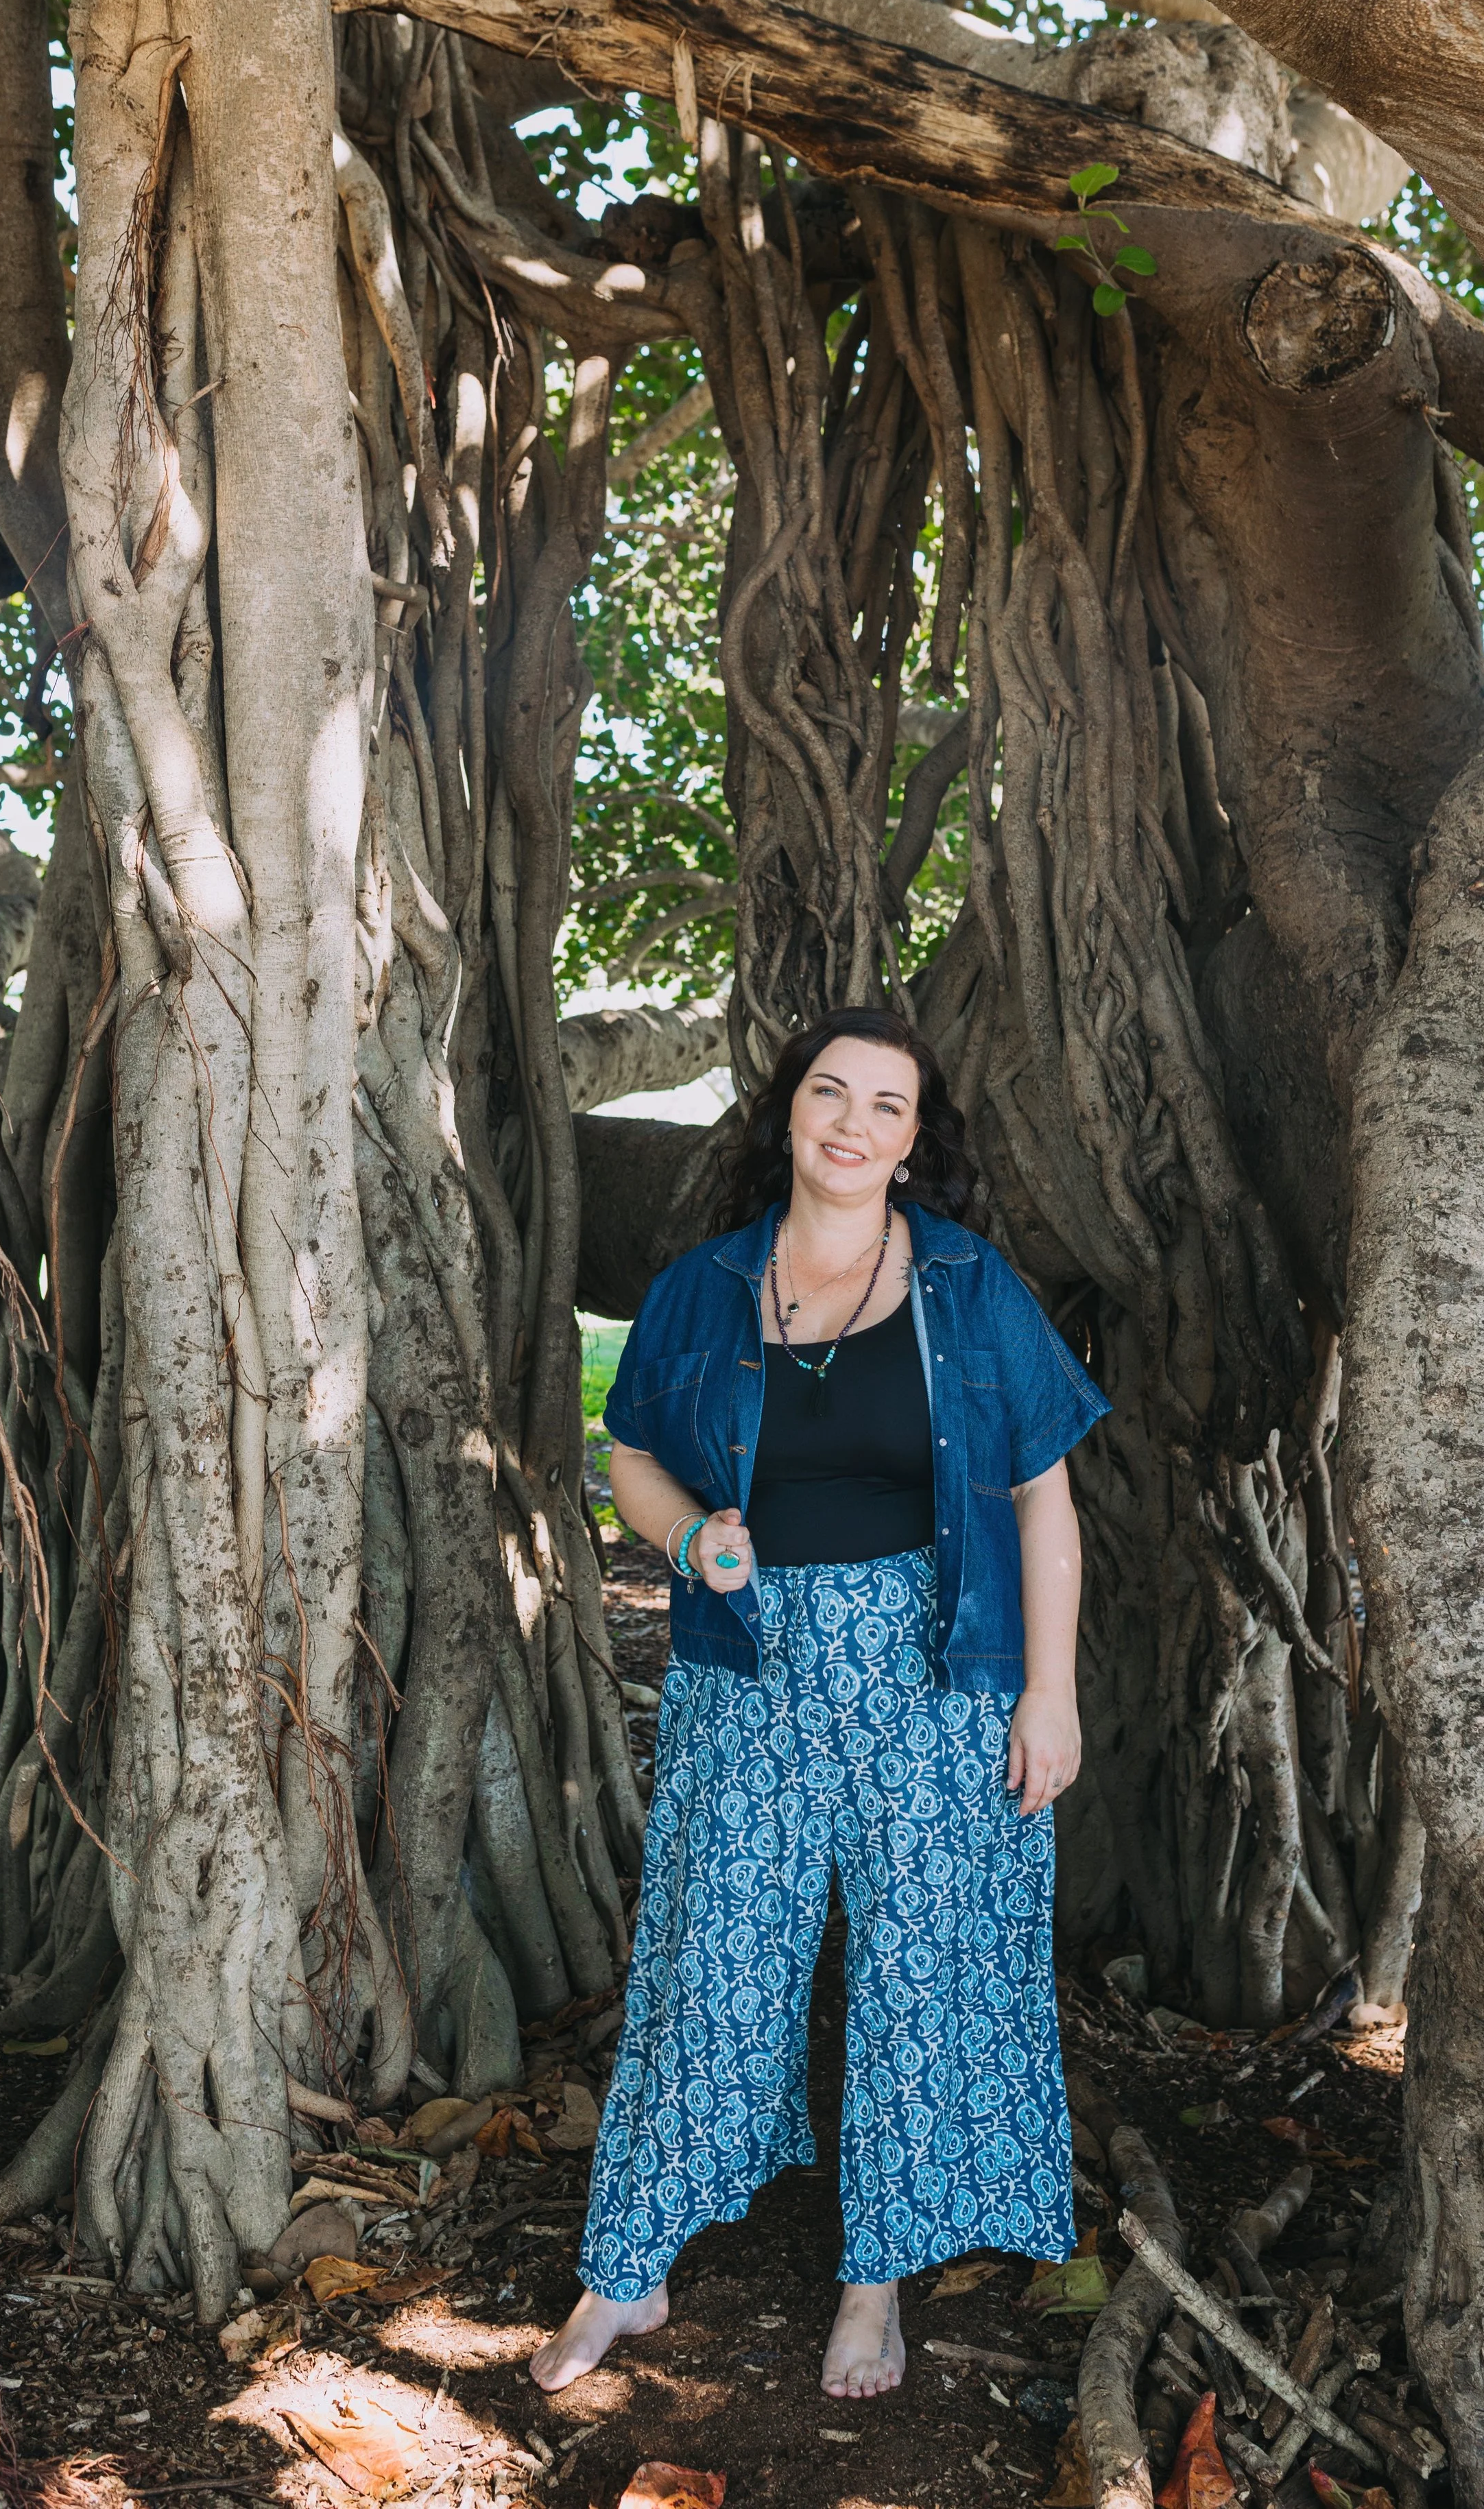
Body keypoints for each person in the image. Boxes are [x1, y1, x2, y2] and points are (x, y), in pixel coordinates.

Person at [531, 1006, 1108, 2401]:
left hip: (937, 1669)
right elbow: (636, 1460)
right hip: (751, 1667)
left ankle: (874, 2288)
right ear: (786, 1112)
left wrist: (1049, 1693)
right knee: (711, 1956)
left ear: (915, 1144)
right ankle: (631, 2266)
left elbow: (1044, 1500)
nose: (851, 1124)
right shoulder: (704, 1289)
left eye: (886, 1108)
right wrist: (687, 1541)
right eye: (829, 1094)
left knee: (926, 1970)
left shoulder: (971, 1289)